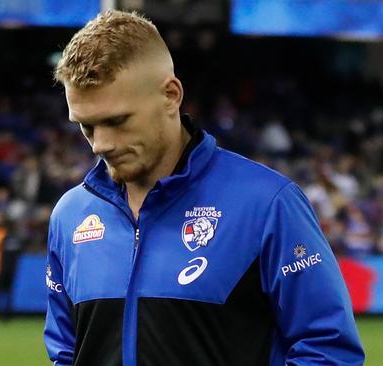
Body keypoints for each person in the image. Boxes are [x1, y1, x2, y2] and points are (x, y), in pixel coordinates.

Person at [44, 10, 364, 366]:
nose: (100, 144)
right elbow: (65, 355)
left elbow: (327, 350)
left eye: (117, 121)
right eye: (86, 126)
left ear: (171, 95)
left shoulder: (267, 205)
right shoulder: (70, 216)